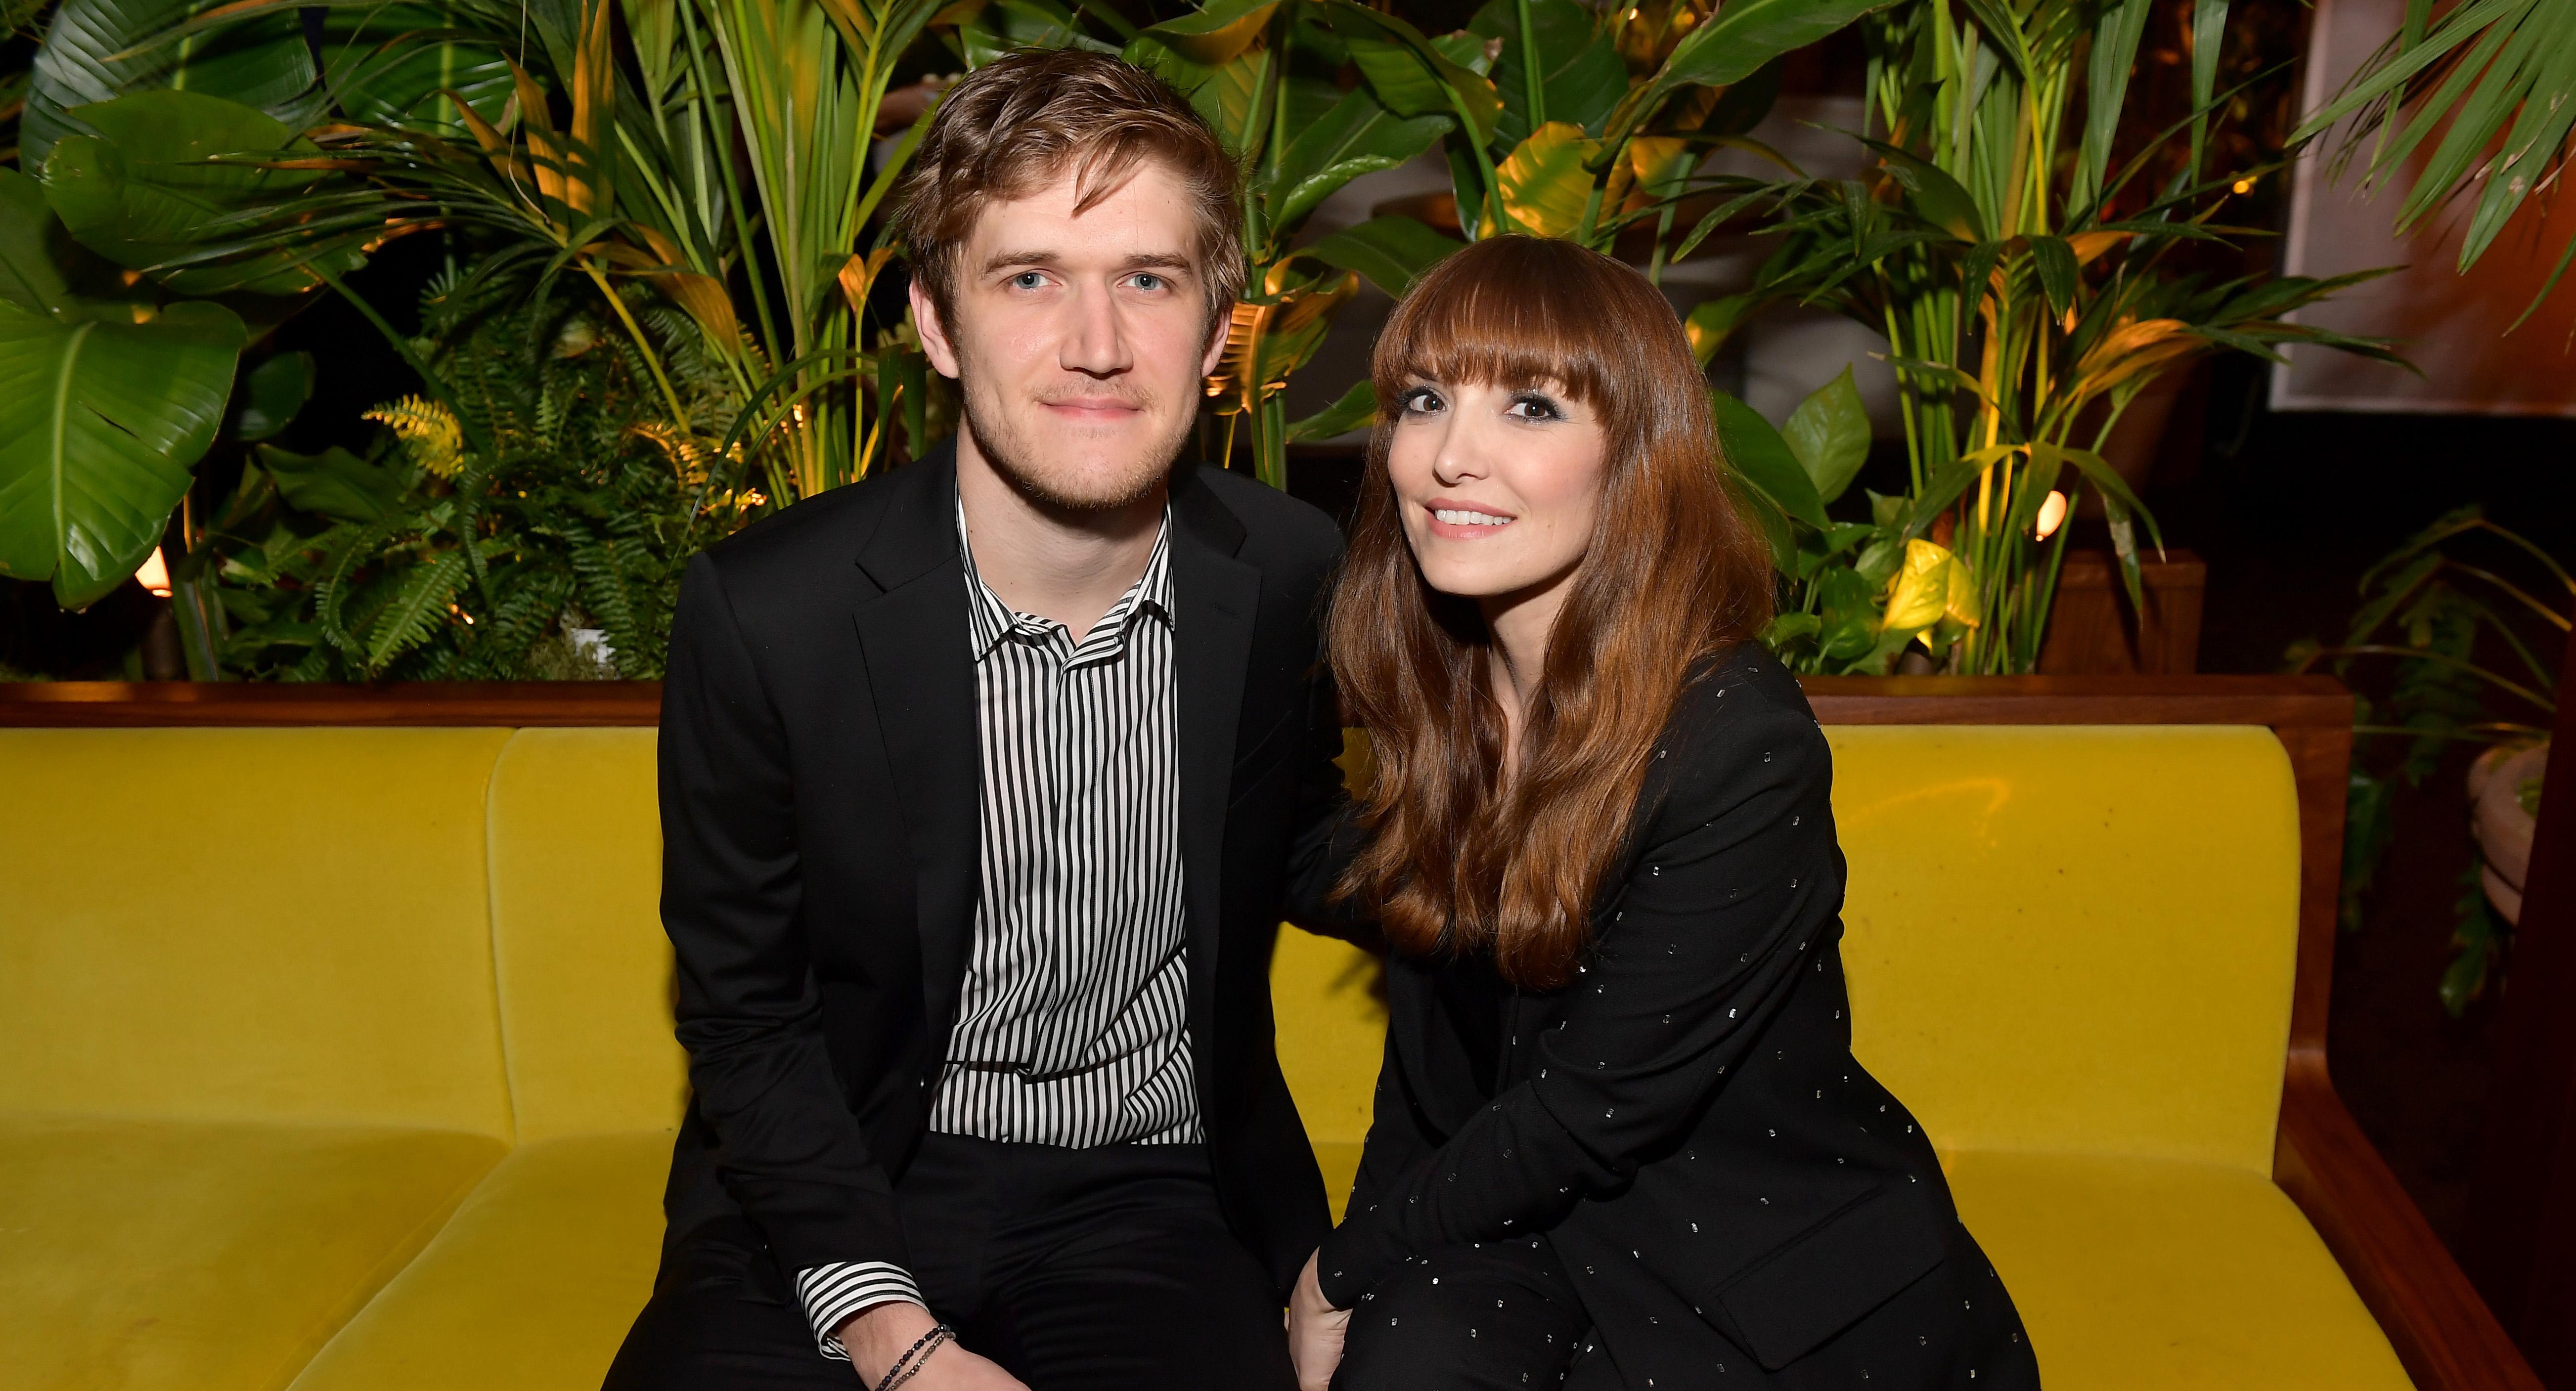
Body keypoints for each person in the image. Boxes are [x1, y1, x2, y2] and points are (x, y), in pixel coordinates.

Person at [605, 48, 1348, 1391]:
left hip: (1148, 1190)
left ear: (1216, 323)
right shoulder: (770, 612)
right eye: (1027, 279)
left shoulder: (1289, 573)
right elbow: (743, 1015)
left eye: (1147, 277)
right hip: (833, 1178)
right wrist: (893, 1336)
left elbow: (1322, 847)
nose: (1099, 344)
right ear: (936, 326)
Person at [1281, 236, 2041, 1391]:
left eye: (1530, 407)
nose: (1451, 456)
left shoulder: (1736, 741)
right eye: (1426, 401)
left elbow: (1594, 1108)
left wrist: (1340, 1272)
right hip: (1518, 1230)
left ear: (1636, 458)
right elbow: (1432, 1034)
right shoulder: (1438, 693)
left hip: (1749, 1265)